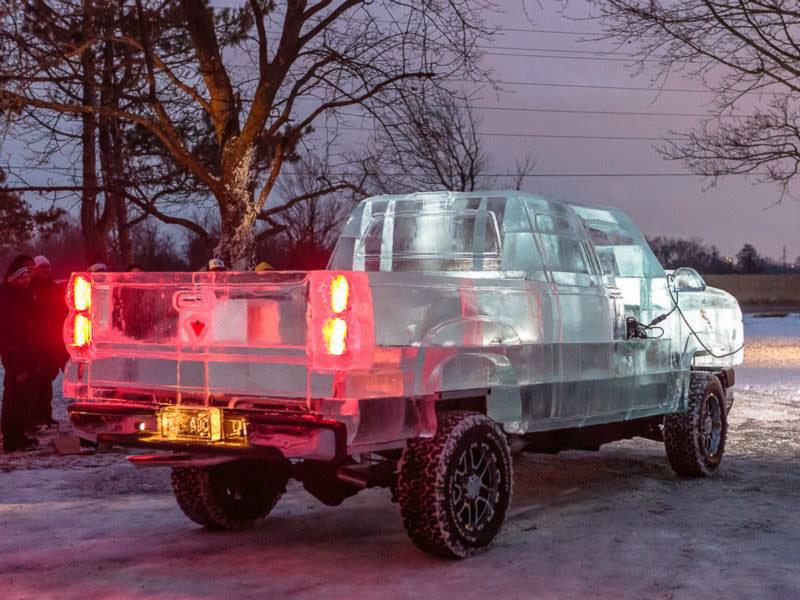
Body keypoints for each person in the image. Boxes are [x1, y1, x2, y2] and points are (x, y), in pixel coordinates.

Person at [0, 255, 39, 452]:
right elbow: (8, 332)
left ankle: (18, 433)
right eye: (22, 278)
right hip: (15, 354)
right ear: (14, 278)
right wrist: (17, 362)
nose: (26, 281)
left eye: (28, 278)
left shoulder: (22, 296)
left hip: (26, 350)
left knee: (23, 395)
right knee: (15, 394)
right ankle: (12, 437)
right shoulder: (6, 299)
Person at [30, 255, 67, 428]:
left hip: (55, 339)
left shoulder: (54, 288)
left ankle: (45, 414)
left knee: (47, 378)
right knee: (38, 379)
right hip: (37, 341)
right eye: (42, 268)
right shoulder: (30, 290)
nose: (46, 271)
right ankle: (35, 415)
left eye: (47, 267)